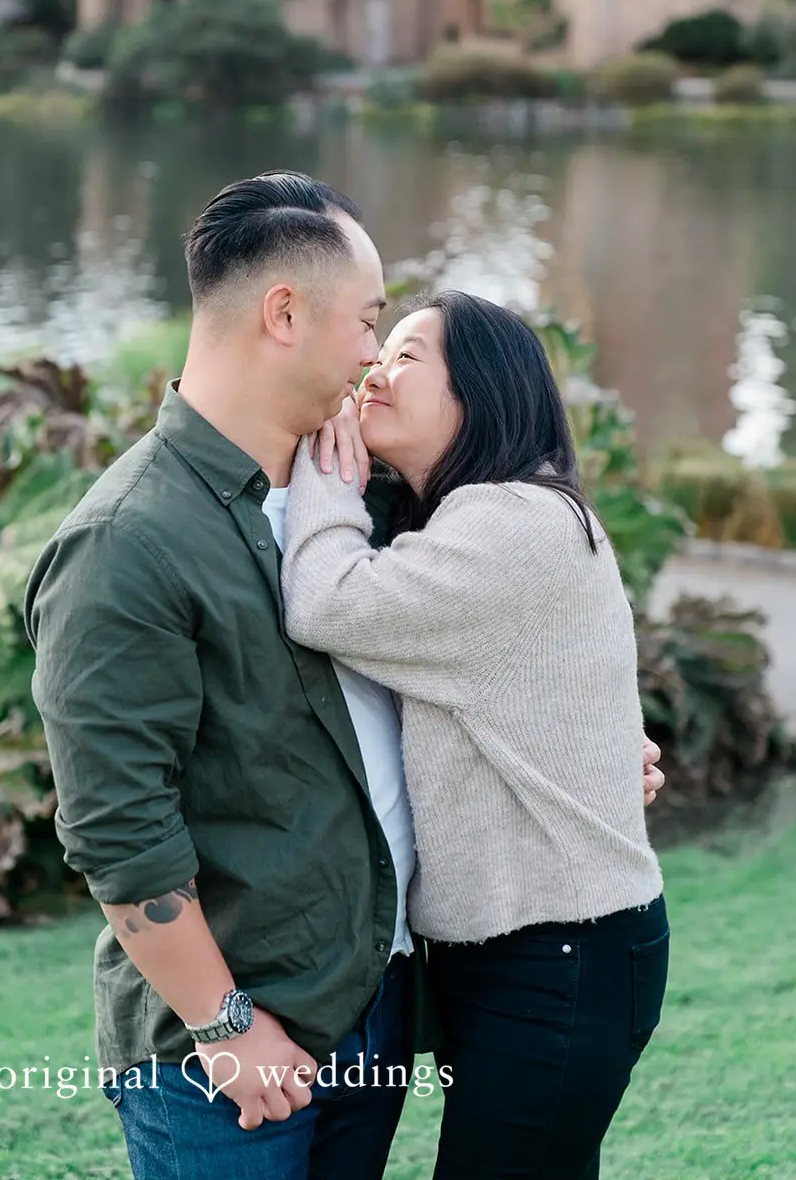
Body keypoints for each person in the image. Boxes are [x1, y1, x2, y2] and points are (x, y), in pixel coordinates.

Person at [26, 173, 665, 1180]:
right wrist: (225, 1023)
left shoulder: (372, 498)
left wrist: (581, 746)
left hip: (371, 1007)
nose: (374, 354)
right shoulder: (130, 540)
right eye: (370, 322)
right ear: (285, 313)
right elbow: (118, 827)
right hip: (227, 1045)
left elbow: (485, 663)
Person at [282, 290, 670, 1180]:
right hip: (534, 950)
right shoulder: (482, 519)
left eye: (410, 355)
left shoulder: (511, 524)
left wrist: (323, 483)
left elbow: (326, 602)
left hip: (559, 955)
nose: (378, 368)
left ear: (482, 390)